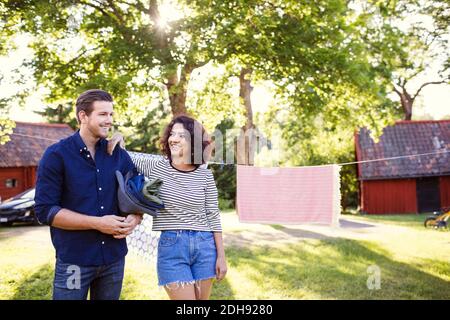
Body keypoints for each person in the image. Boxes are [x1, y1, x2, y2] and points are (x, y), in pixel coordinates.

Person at [34, 89, 143, 300]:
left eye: (111, 114)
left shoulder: (118, 154)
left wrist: (136, 218)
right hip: (75, 261)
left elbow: (137, 196)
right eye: (103, 114)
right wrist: (97, 223)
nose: (109, 120)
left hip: (114, 259)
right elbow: (45, 211)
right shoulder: (56, 155)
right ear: (83, 116)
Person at [111, 115, 227, 300]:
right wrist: (118, 135)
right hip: (173, 247)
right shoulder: (157, 166)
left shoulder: (205, 175)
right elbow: (122, 154)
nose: (173, 139)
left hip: (205, 247)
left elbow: (213, 216)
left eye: (181, 135)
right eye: (172, 134)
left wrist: (221, 256)